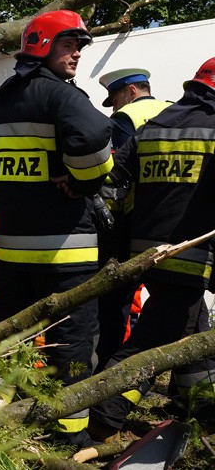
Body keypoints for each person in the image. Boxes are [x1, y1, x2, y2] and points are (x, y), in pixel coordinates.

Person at [0, 10, 113, 445]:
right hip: (67, 252)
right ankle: (70, 435)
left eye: (80, 45)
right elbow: (97, 137)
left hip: (15, 253)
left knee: (7, 336)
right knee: (73, 344)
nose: (77, 52)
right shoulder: (62, 96)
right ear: (42, 44)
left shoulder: (7, 100)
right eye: (68, 44)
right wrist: (83, 181)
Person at [89, 58, 215, 441]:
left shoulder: (155, 125)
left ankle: (199, 405)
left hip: (147, 253)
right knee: (153, 341)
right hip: (191, 253)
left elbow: (111, 178)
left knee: (193, 328)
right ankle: (101, 416)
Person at [94, 68, 172, 370]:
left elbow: (116, 174)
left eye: (114, 100)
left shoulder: (125, 119)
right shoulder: (174, 109)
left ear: (130, 92)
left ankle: (106, 374)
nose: (115, 107)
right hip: (176, 219)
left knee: (115, 301)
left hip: (136, 222)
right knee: (177, 302)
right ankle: (189, 388)